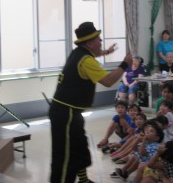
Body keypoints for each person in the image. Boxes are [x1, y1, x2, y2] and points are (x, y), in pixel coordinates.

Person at [49, 21, 132, 183]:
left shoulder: (79, 53)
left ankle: (84, 180)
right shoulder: (87, 61)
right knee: (65, 156)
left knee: (79, 147)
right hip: (65, 114)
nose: (101, 41)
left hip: (71, 112)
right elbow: (108, 81)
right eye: (98, 38)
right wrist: (124, 64)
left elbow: (96, 53)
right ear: (89, 43)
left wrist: (107, 52)